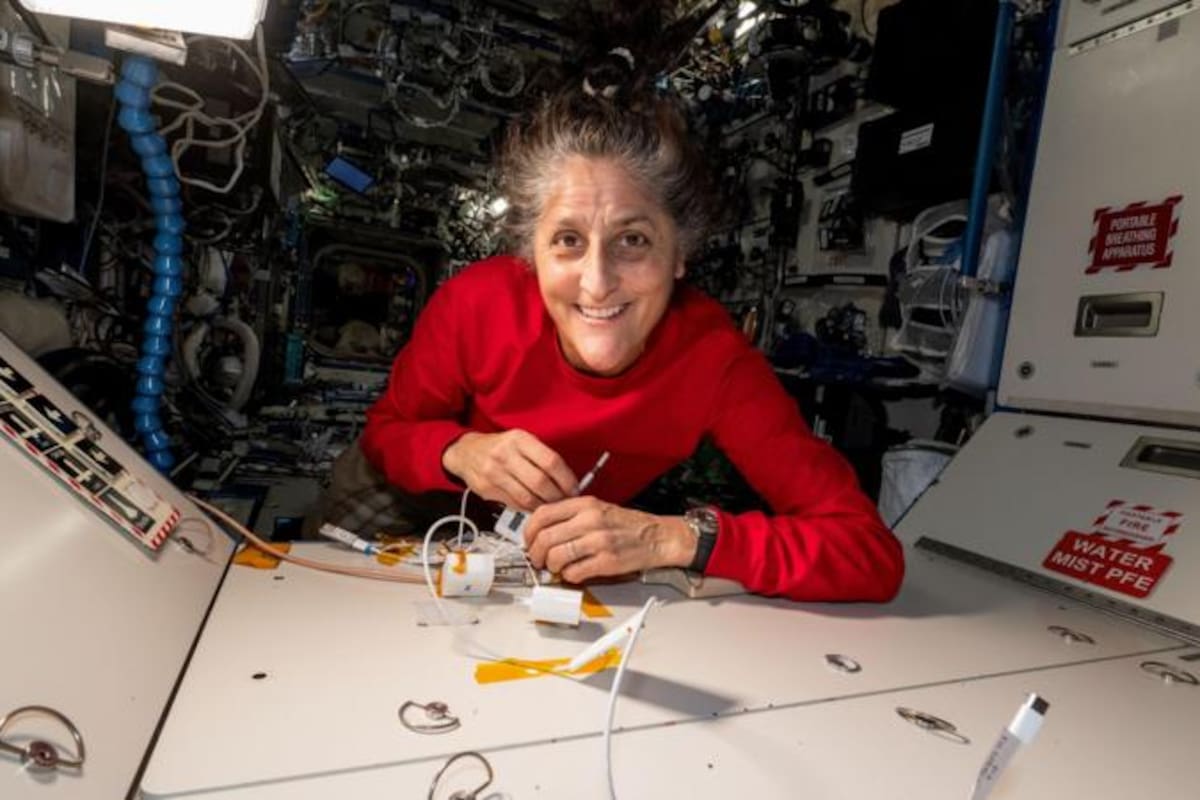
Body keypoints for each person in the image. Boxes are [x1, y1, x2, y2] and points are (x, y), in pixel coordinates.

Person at [347, 86, 903, 602]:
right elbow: (386, 432)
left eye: (632, 240)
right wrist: (460, 451)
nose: (597, 283)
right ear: (531, 254)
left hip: (560, 529)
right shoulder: (474, 303)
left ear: (680, 254)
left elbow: (869, 552)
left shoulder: (714, 358)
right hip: (420, 489)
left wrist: (676, 540)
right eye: (568, 241)